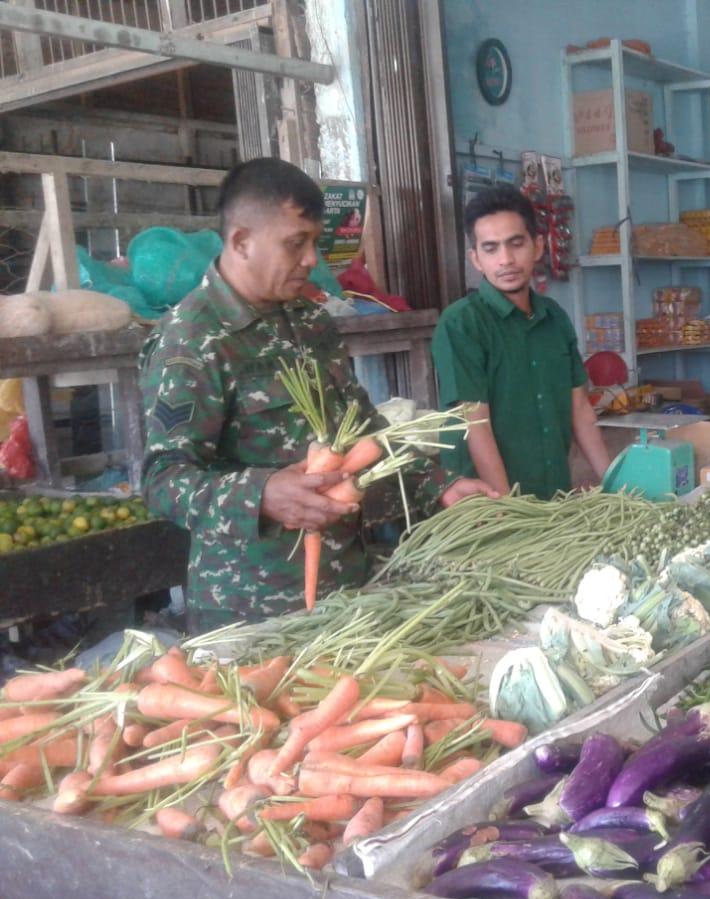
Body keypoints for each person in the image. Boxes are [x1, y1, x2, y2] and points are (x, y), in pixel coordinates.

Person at [140, 157, 493, 633]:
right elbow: (163, 480)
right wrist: (261, 493)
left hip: (346, 589)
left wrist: (439, 485)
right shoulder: (191, 340)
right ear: (242, 241)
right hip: (251, 612)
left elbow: (366, 431)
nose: (311, 260)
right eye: (295, 243)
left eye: (313, 242)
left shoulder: (310, 323)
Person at [432, 184, 611, 499]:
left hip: (551, 495)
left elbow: (580, 410)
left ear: (537, 246)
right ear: (475, 258)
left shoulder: (554, 318)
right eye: (491, 248)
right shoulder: (461, 324)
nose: (506, 260)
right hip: (487, 508)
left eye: (516, 244)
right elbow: (476, 424)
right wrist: (510, 510)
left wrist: (615, 485)